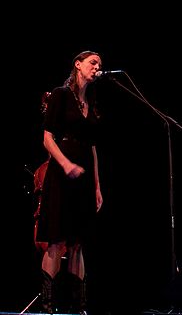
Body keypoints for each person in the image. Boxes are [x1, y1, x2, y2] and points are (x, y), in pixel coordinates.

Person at [35, 50, 104, 314]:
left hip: (84, 177)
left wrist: (97, 185)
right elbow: (47, 138)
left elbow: (93, 147)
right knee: (57, 240)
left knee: (78, 243)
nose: (97, 67)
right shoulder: (61, 95)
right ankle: (48, 305)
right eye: (93, 62)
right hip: (62, 174)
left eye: (100, 64)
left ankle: (80, 306)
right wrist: (65, 164)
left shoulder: (93, 101)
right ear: (78, 64)